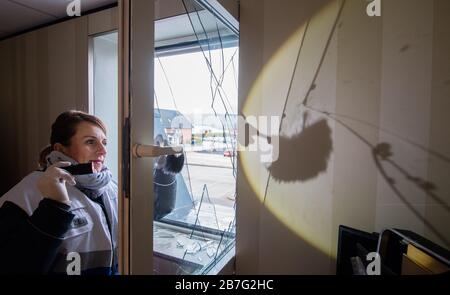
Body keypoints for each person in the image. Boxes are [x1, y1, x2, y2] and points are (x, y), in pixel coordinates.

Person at [0, 110, 118, 275]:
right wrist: (55, 207)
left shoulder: (113, 188)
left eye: (104, 142)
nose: (103, 151)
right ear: (61, 149)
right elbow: (13, 266)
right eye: (90, 142)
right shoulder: (27, 193)